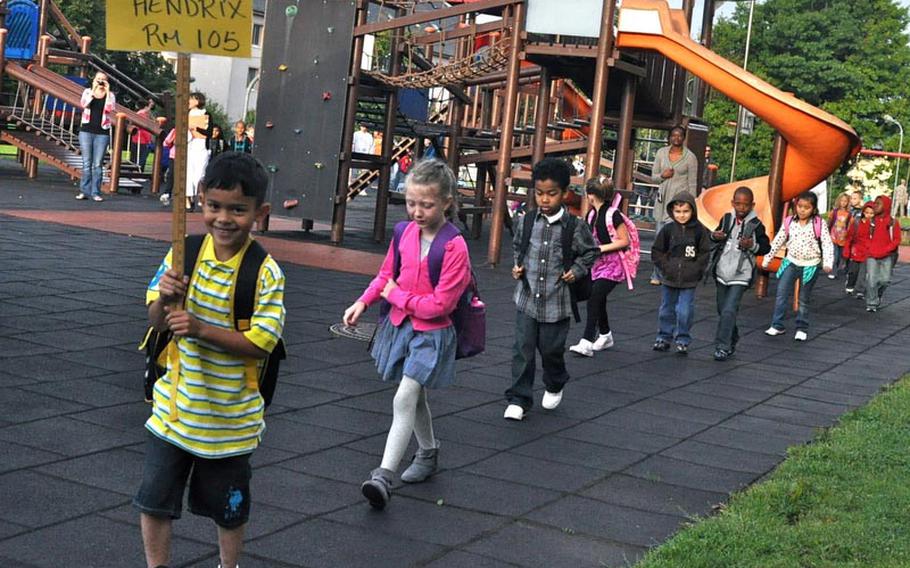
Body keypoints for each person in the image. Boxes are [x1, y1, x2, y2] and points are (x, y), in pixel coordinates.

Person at [134, 152, 285, 568]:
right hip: (174, 410)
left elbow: (261, 342)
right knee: (154, 500)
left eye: (238, 209)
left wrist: (201, 329)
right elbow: (154, 319)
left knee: (229, 509)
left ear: (261, 213)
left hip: (229, 420)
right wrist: (164, 297)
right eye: (214, 206)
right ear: (201, 200)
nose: (223, 219)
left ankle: (228, 564)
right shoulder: (185, 253)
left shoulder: (263, 272)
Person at [342, 159, 472, 510]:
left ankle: (382, 476)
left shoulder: (454, 246)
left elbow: (440, 306)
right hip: (403, 327)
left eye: (426, 205)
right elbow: (386, 275)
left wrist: (396, 296)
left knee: (404, 397)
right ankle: (428, 452)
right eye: (411, 203)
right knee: (414, 397)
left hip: (432, 334)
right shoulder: (404, 233)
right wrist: (363, 302)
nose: (417, 211)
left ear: (446, 202)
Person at [504, 158, 598, 421]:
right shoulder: (526, 221)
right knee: (522, 349)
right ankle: (519, 398)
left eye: (551, 194)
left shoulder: (574, 226)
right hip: (527, 297)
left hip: (557, 302)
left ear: (565, 193)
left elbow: (590, 253)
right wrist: (517, 266)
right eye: (539, 193)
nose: (544, 199)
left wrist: (577, 270)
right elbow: (518, 247)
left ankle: (555, 381)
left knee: (551, 350)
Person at [568, 178, 630, 357]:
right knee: (598, 298)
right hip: (598, 263)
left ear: (591, 195)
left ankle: (587, 341)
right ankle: (605, 334)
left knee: (595, 297)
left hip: (613, 264)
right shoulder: (591, 214)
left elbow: (624, 241)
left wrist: (600, 248)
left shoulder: (613, 214)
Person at [708, 187, 770, 361]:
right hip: (721, 271)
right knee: (722, 310)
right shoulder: (727, 219)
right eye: (738, 204)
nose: (741, 208)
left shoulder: (756, 225)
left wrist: (752, 245)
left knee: (729, 310)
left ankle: (722, 346)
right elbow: (715, 235)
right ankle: (732, 337)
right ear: (733, 203)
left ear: (752, 205)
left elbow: (766, 247)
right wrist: (715, 236)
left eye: (746, 205)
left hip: (741, 274)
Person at [762, 191, 833, 341]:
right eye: (799, 206)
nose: (802, 210)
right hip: (791, 261)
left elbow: (827, 244)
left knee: (803, 298)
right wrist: (768, 258)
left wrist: (828, 262)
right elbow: (778, 240)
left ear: (813, 209)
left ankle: (801, 326)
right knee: (781, 293)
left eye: (806, 207)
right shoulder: (789, 222)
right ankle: (777, 324)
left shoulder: (819, 224)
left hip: (810, 264)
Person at [650, 191, 710, 355]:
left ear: (692, 211)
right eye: (677, 212)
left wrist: (697, 269)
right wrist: (665, 266)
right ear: (672, 211)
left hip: (689, 279)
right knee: (666, 309)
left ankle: (683, 339)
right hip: (669, 277)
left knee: (685, 311)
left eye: (685, 211)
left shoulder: (699, 231)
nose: (682, 215)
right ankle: (663, 337)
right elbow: (657, 251)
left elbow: (705, 253)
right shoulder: (668, 230)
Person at [648, 125, 699, 284]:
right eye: (673, 135)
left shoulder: (690, 157)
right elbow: (653, 177)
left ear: (684, 137)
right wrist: (663, 175)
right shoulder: (661, 153)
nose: (676, 138)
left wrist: (692, 205)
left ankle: (667, 274)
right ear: (669, 137)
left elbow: (692, 184)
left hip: (679, 206)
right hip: (662, 203)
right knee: (659, 239)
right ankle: (656, 274)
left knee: (673, 240)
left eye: (680, 136)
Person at [76, 71, 116, 202]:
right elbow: (84, 104)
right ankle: (84, 191)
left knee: (98, 164)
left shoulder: (110, 95)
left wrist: (107, 90)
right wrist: (93, 90)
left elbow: (109, 109)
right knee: (87, 163)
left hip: (102, 132)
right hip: (86, 130)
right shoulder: (87, 92)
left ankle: (96, 192)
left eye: (103, 80)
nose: (100, 82)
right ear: (94, 80)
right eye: (98, 79)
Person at [861, 195, 902, 312]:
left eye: (878, 204)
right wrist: (870, 248)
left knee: (885, 280)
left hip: (887, 255)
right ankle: (871, 303)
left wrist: (887, 249)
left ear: (886, 206)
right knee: (871, 279)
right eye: (875, 203)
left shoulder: (892, 222)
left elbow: (896, 239)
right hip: (872, 255)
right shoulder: (871, 221)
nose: (875, 206)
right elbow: (865, 236)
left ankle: (876, 294)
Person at [186, 92, 213, 212]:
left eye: (191, 99)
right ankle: (188, 198)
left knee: (200, 174)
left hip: (201, 145)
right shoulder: (186, 114)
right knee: (188, 173)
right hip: (189, 144)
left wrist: (196, 128)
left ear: (197, 101)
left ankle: (201, 195)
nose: (188, 102)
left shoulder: (205, 114)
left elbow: (209, 132)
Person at [842, 203, 873, 295]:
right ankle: (850, 285)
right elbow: (849, 237)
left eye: (872, 213)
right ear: (863, 212)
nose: (869, 215)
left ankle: (860, 289)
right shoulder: (856, 222)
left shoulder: (874, 225)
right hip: (855, 250)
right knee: (853, 271)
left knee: (863, 273)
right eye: (867, 212)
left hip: (867, 252)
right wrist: (847, 250)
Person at [827, 192, 854, 280]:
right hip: (834, 236)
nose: (843, 203)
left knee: (841, 256)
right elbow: (830, 221)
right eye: (841, 201)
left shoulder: (849, 214)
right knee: (835, 255)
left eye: (845, 201)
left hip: (843, 238)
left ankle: (838, 268)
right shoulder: (835, 212)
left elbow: (850, 225)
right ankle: (833, 271)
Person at [130, 99, 155, 174]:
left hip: (137, 138)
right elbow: (144, 128)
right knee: (141, 158)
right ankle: (137, 173)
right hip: (142, 139)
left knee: (136, 157)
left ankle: (134, 172)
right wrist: (149, 140)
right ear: (146, 106)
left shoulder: (139, 113)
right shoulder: (142, 114)